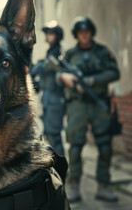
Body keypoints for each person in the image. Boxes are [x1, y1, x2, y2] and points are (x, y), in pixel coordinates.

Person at [56, 16, 120, 203]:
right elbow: (58, 73)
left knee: (105, 144)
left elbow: (114, 72)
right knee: (75, 146)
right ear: (76, 34)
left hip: (99, 103)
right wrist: (65, 78)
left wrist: (93, 80)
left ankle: (103, 185)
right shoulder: (69, 54)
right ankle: (74, 184)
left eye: (87, 31)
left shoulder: (102, 51)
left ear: (92, 32)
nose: (84, 35)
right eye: (80, 32)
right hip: (77, 105)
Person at [30, 20, 66, 156]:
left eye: (51, 34)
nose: (47, 36)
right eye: (46, 33)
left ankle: (62, 166)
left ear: (58, 35)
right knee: (49, 135)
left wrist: (38, 67)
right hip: (47, 98)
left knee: (54, 135)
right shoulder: (50, 53)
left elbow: (48, 71)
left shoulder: (58, 55)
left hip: (55, 99)